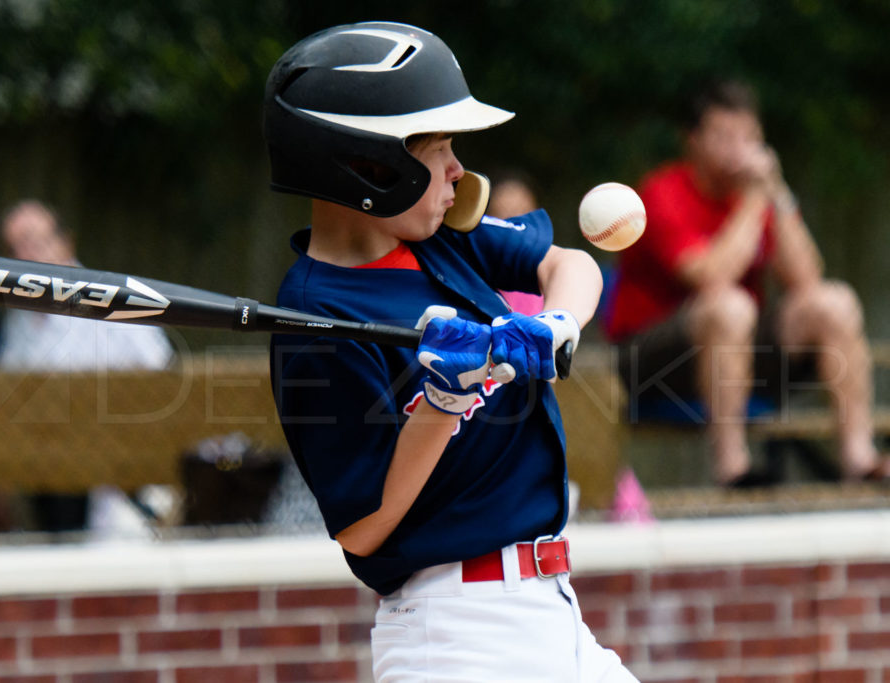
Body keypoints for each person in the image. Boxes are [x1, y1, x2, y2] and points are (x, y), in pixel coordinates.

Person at [267, 22, 636, 681]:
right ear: (366, 164)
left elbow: (570, 265)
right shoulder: (315, 317)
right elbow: (361, 527)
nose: (457, 170)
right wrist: (443, 400)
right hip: (457, 632)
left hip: (550, 610)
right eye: (436, 148)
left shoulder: (443, 239)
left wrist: (557, 323)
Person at [604, 80, 889, 487]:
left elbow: (807, 280)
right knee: (729, 306)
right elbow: (709, 278)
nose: (739, 149)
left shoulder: (754, 194)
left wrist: (778, 196)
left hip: (737, 353)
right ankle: (732, 466)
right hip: (650, 363)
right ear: (692, 140)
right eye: (724, 137)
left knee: (835, 302)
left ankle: (859, 458)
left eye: (749, 137)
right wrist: (756, 201)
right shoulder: (660, 193)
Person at [0, 200, 174, 372]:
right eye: (14, 249)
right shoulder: (18, 316)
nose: (24, 255)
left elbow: (161, 375)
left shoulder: (118, 302)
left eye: (33, 242)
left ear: (65, 242)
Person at [488, 172, 544, 316]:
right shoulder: (479, 274)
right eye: (503, 214)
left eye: (520, 213)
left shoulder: (546, 272)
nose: (512, 224)